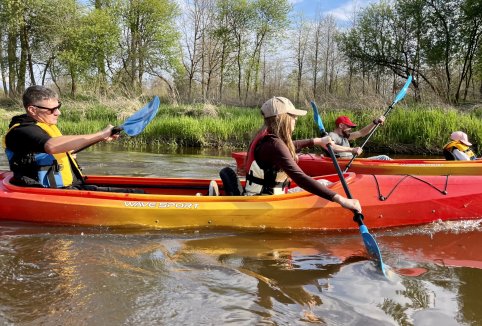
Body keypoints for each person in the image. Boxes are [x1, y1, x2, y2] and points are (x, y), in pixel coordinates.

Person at [3, 85, 142, 193]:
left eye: (58, 107)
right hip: (45, 192)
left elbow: (63, 149)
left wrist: (99, 138)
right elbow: (51, 146)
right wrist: (100, 134)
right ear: (32, 110)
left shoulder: (45, 125)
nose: (58, 112)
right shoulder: (22, 131)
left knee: (138, 192)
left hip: (67, 187)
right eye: (52, 110)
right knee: (137, 194)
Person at [244, 96, 361, 213]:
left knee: (324, 183)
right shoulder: (274, 145)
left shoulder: (268, 139)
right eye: (293, 116)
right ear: (283, 119)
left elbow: (288, 146)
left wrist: (317, 141)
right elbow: (300, 178)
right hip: (265, 201)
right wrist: (340, 199)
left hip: (269, 195)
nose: (296, 120)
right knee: (326, 185)